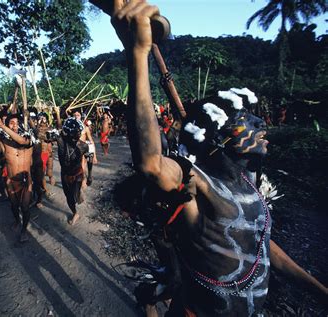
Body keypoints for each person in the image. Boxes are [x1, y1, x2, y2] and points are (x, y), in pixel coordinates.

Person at [111, 1, 328, 315]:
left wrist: (320, 291)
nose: (261, 124)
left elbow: (262, 245)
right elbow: (151, 164)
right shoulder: (196, 182)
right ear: (218, 137)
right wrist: (137, 53)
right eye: (247, 121)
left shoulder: (248, 186)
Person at [0, 97, 34, 242]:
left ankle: (24, 229)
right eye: (11, 123)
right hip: (11, 180)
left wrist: (2, 126)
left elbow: (22, 141)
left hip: (25, 180)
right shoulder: (3, 141)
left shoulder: (30, 137)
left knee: (25, 206)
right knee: (14, 205)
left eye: (17, 123)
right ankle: (17, 221)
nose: (15, 125)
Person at [56, 117, 89, 225]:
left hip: (77, 174)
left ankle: (78, 192)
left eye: (78, 133)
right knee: (69, 197)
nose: (77, 136)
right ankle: (75, 213)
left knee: (74, 197)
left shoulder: (84, 146)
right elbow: (59, 129)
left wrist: (87, 177)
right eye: (74, 134)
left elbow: (87, 161)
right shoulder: (61, 141)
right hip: (65, 174)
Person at [72, 110, 98, 186]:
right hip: (74, 149)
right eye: (75, 115)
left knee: (83, 165)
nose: (76, 117)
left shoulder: (85, 128)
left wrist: (95, 156)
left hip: (83, 148)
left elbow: (91, 141)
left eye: (78, 115)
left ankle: (88, 176)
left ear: (81, 116)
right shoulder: (71, 127)